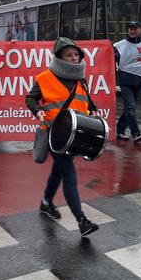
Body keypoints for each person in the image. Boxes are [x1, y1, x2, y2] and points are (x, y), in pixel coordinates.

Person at [25, 37, 100, 237]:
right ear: (59, 57)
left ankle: (46, 202)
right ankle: (81, 220)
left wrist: (94, 112)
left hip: (75, 134)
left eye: (76, 54)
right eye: (69, 55)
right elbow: (30, 98)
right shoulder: (44, 77)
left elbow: (87, 103)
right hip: (54, 134)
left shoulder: (80, 78)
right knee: (69, 173)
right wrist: (38, 111)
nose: (74, 58)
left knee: (59, 170)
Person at [113, 21, 141, 142]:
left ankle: (120, 130)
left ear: (140, 30)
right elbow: (111, 60)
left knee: (128, 108)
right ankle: (136, 133)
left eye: (135, 28)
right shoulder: (119, 46)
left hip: (139, 81)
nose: (132, 31)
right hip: (126, 81)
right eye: (130, 29)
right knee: (131, 108)